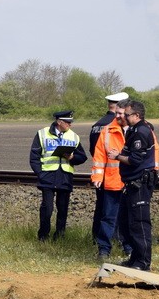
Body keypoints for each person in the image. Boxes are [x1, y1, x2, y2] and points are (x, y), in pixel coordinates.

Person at [108, 100, 156, 270]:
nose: (124, 117)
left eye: (127, 115)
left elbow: (135, 160)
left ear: (136, 115)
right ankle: (134, 258)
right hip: (131, 182)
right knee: (127, 222)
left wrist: (116, 156)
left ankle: (143, 262)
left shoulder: (141, 132)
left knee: (139, 223)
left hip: (140, 183)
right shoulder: (134, 130)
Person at [29, 110, 87, 241]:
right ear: (59, 122)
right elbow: (34, 157)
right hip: (48, 177)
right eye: (68, 122)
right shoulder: (42, 134)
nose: (70, 125)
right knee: (47, 209)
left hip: (65, 177)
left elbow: (82, 157)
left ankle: (59, 236)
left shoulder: (74, 136)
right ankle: (43, 236)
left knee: (62, 209)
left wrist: (72, 157)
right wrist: (41, 174)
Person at [89, 92, 129, 242]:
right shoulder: (109, 127)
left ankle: (97, 238)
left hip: (105, 177)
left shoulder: (97, 125)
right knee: (117, 214)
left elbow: (94, 153)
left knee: (102, 211)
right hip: (114, 178)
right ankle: (116, 240)